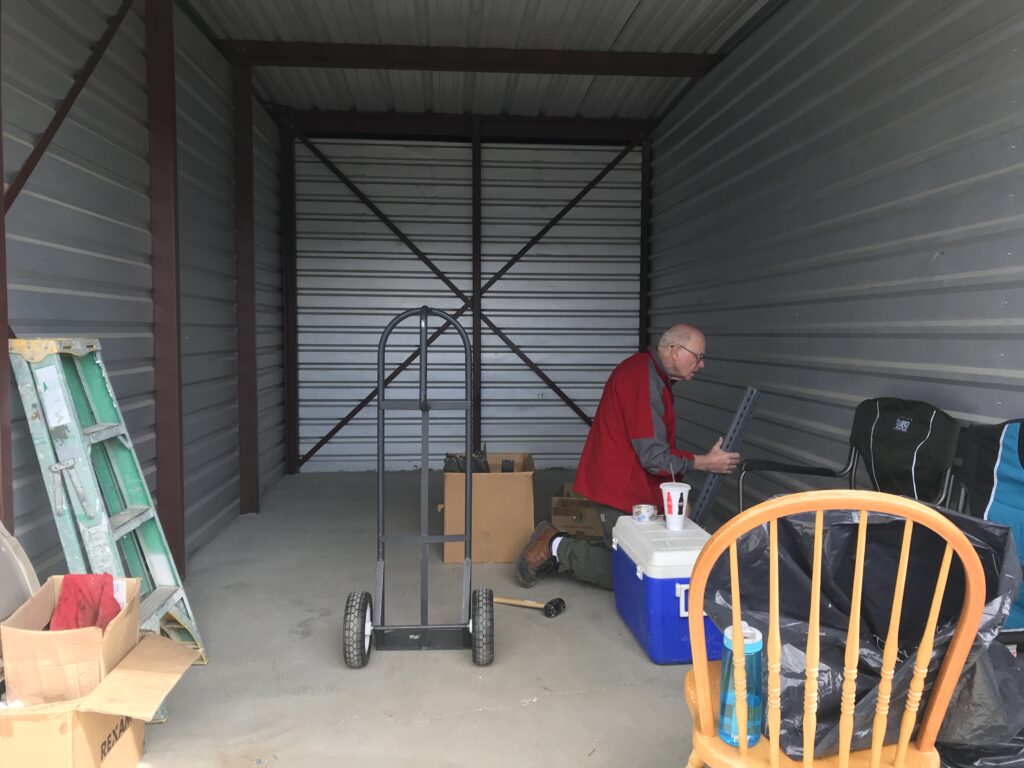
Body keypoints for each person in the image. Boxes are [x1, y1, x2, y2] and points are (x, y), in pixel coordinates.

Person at [514, 323, 740, 589]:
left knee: (647, 558)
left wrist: (674, 494)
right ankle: (556, 546)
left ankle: (565, 543)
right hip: (620, 490)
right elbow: (655, 457)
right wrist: (705, 462)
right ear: (676, 350)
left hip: (631, 485)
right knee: (636, 576)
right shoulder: (641, 380)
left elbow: (654, 449)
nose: (701, 364)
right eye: (699, 356)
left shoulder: (652, 376)